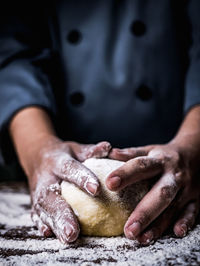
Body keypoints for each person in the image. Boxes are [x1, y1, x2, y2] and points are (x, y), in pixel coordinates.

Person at [0, 0, 200, 245]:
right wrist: (39, 148)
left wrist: (192, 149)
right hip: (63, 144)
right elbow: (12, 53)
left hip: (174, 146)